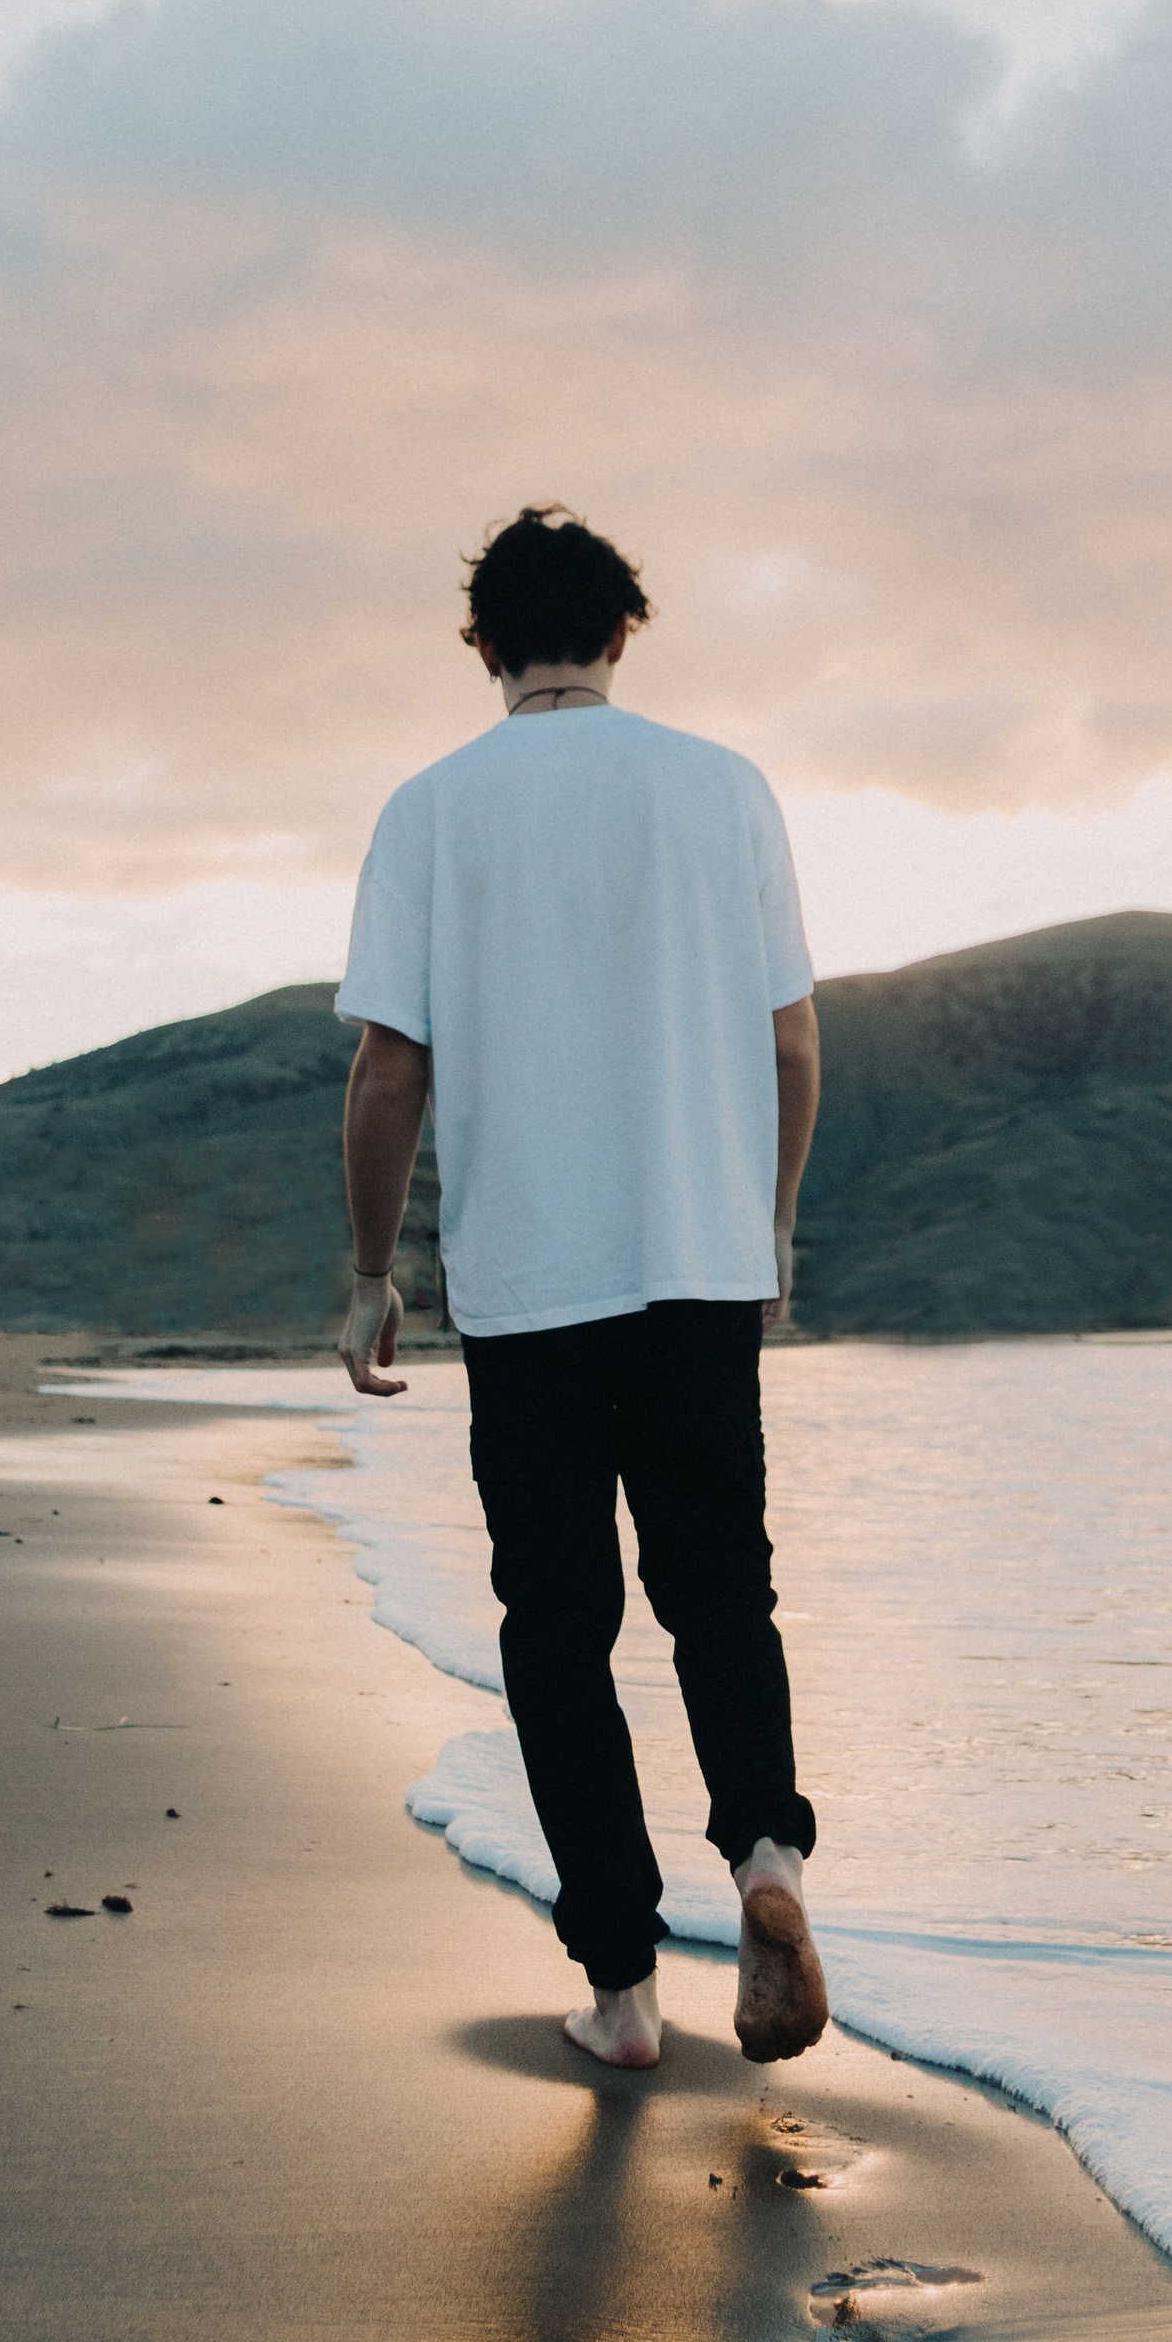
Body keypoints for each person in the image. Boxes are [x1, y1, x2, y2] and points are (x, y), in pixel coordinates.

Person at [332, 504, 828, 2071]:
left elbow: (388, 1069)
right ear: (625, 633)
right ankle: (764, 1856)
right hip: (695, 1266)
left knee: (558, 1630)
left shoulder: (431, 811)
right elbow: (795, 1045)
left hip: (529, 1288)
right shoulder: (723, 789)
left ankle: (622, 1991)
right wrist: (772, 1231)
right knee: (720, 1594)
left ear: (484, 648)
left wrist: (367, 1275)